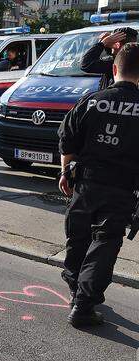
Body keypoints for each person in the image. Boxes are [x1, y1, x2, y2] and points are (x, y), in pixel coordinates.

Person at [58, 43, 139, 328]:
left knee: (78, 238)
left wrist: (66, 172)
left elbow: (68, 139)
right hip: (121, 188)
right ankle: (83, 304)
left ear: (114, 69)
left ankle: (74, 291)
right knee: (104, 244)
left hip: (85, 184)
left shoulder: (91, 100)